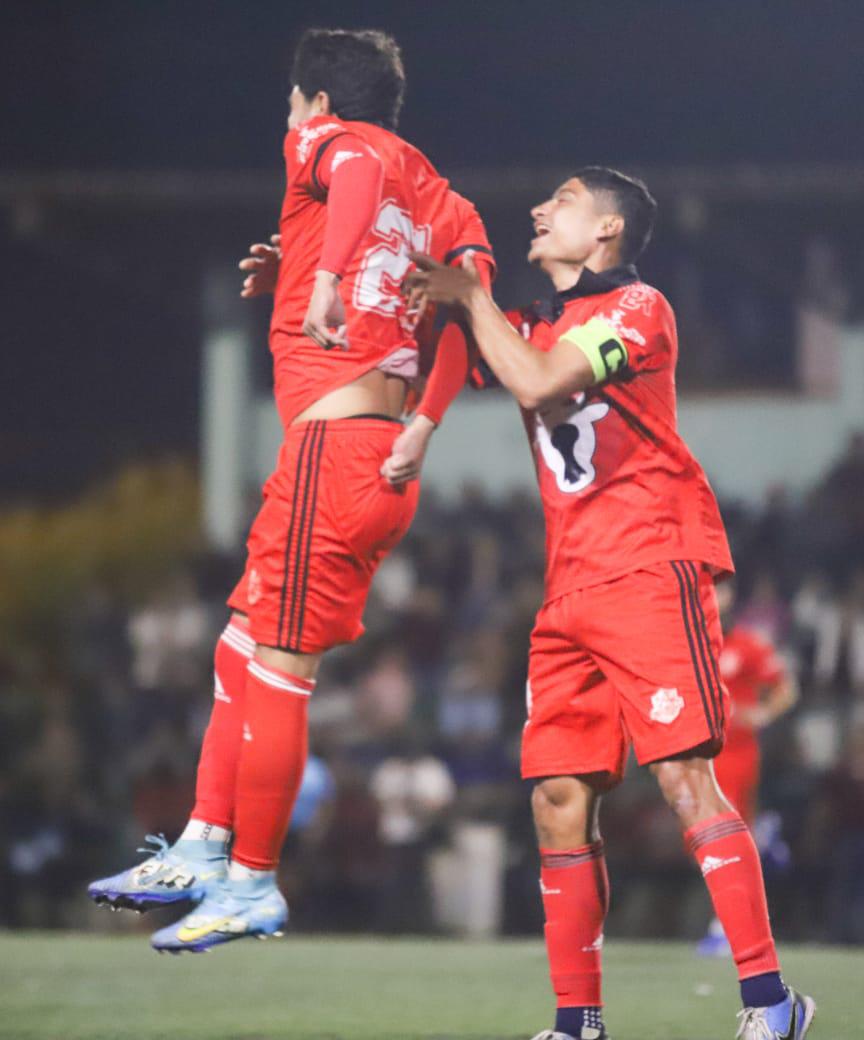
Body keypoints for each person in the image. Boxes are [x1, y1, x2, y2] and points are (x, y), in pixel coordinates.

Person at [87, 27, 494, 953]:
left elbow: (349, 173)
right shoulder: (445, 200)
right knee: (238, 649)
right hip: (374, 451)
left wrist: (327, 273)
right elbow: (466, 307)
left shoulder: (335, 140)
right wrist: (425, 423)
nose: (290, 119)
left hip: (333, 454)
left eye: (290, 105)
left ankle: (253, 882)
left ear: (314, 101)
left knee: (276, 668)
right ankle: (201, 841)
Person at [398, 167, 815, 1040]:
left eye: (565, 201)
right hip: (568, 589)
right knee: (555, 798)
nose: (540, 209)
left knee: (680, 778)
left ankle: (770, 1006)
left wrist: (473, 300)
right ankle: (576, 1022)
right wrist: (315, 276)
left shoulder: (638, 311)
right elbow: (434, 327)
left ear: (607, 235)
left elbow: (543, 382)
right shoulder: (524, 325)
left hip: (649, 566)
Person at [699, 580, 798, 957]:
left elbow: (785, 688)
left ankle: (724, 927)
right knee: (706, 841)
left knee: (721, 838)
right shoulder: (691, 643)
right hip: (697, 757)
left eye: (718, 590)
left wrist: (762, 714)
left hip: (736, 756)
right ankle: (764, 846)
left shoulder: (745, 645)